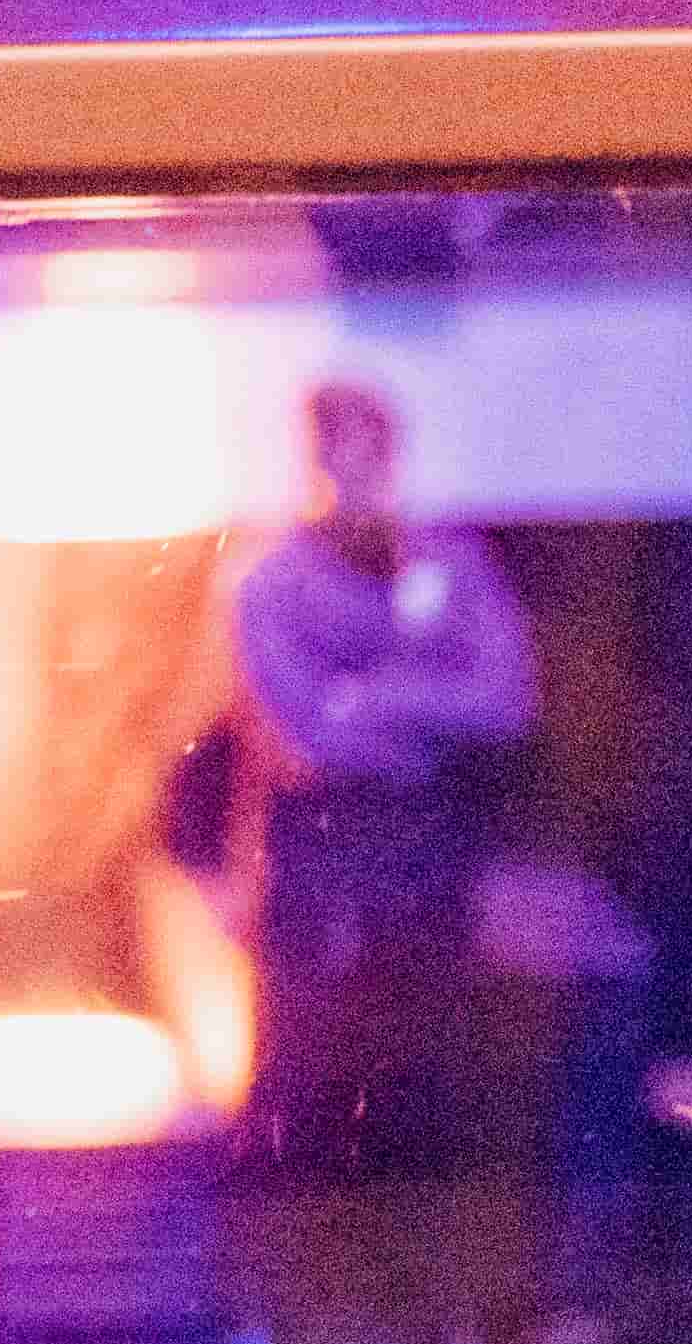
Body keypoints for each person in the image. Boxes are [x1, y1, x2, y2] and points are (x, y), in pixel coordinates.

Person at [228, 375, 540, 1181]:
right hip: (320, 842)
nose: (355, 477)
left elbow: (505, 698)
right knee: (310, 1050)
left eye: (373, 455)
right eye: (337, 455)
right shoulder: (271, 586)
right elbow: (308, 730)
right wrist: (425, 708)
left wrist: (380, 696)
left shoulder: (452, 565)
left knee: (422, 1044)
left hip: (425, 840)